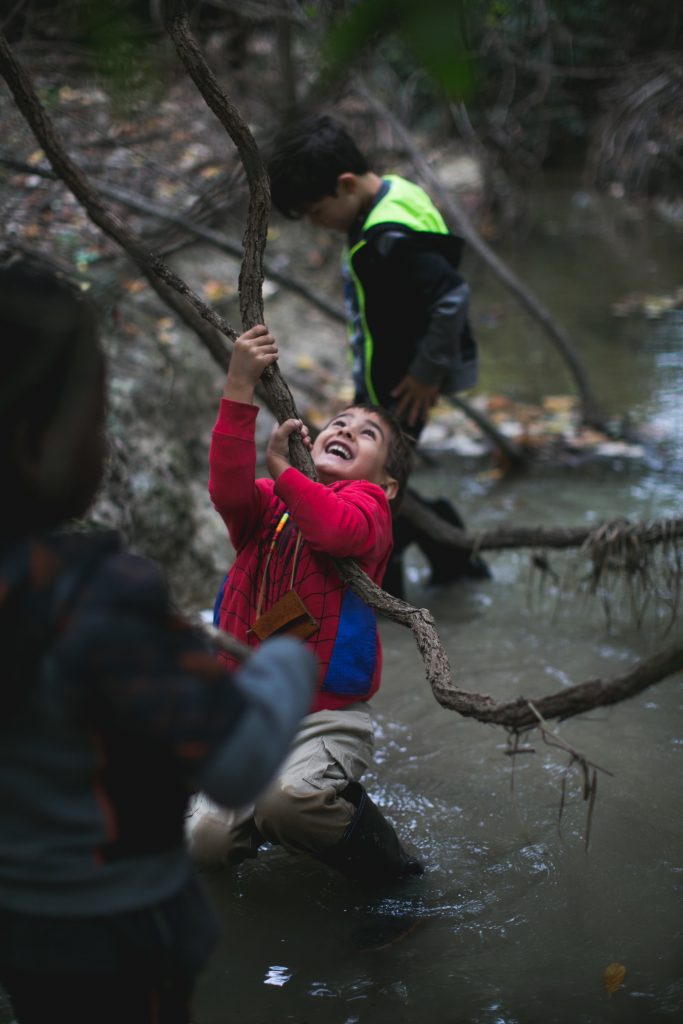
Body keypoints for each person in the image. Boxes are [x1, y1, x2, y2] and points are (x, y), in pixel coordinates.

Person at [0, 256, 317, 1024]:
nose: (103, 443)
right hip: (116, 930)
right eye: (95, 421)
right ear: (34, 445)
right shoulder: (95, 599)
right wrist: (284, 663)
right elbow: (237, 765)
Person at [187, 323, 423, 887]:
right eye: (338, 422)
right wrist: (239, 386)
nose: (346, 429)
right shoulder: (271, 502)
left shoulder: (370, 509)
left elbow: (334, 530)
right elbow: (227, 488)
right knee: (204, 844)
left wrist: (287, 473)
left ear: (389, 483)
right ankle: (268, 821)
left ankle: (394, 872)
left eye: (367, 433)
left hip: (325, 715)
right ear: (310, 441)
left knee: (287, 803)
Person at [267, 113, 489, 597]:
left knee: (376, 489)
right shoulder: (394, 191)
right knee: (383, 484)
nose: (316, 223)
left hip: (406, 383)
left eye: (315, 211)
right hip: (389, 373)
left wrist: (426, 374)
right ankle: (444, 561)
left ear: (346, 185)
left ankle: (390, 590)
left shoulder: (389, 236)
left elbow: (451, 298)